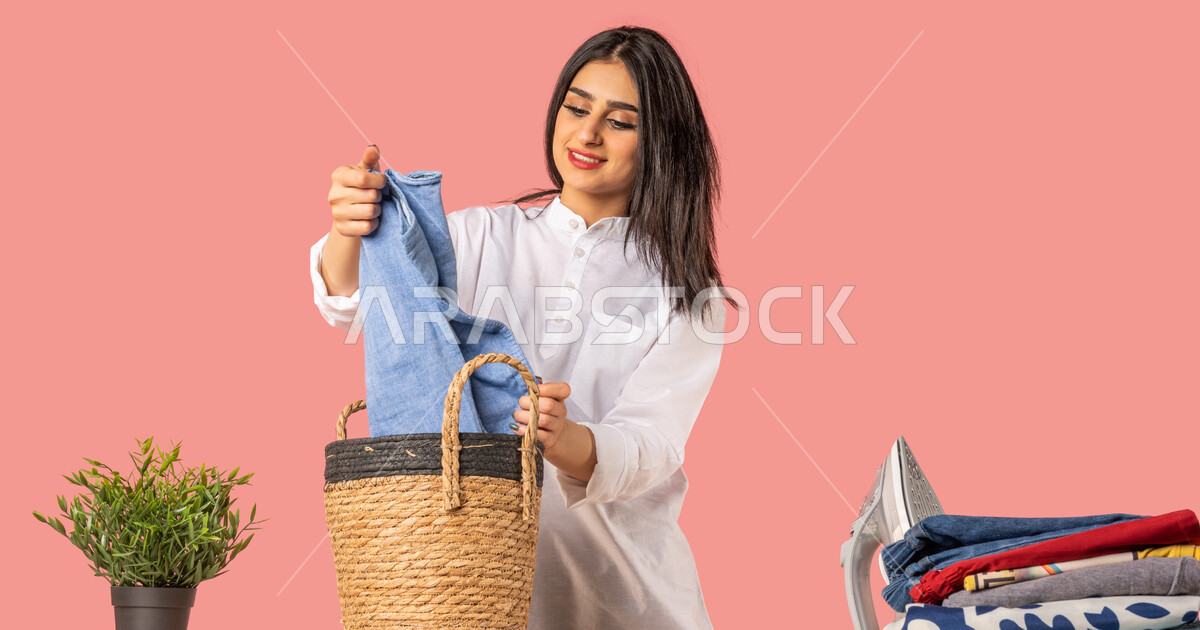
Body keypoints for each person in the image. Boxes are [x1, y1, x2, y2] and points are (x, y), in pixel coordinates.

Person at [309, 25, 737, 630]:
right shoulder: (483, 237)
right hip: (469, 594)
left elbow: (651, 446)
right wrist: (348, 228)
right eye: (576, 108)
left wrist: (567, 441)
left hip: (625, 597)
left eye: (620, 121)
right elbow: (362, 305)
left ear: (662, 142)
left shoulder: (689, 295)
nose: (587, 134)